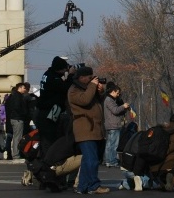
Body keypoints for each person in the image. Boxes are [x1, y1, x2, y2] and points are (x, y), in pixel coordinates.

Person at [67, 65, 109, 194]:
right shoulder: (74, 90)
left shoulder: (89, 89)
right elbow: (85, 100)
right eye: (90, 77)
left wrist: (100, 91)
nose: (93, 79)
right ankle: (94, 185)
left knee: (87, 159)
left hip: (94, 129)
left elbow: (98, 101)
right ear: (82, 78)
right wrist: (92, 86)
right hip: (84, 129)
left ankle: (83, 186)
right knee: (92, 159)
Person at [37, 56, 75, 155]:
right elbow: (65, 88)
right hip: (48, 111)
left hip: (45, 110)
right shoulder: (53, 78)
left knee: (46, 139)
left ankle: (45, 159)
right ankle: (48, 161)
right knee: (49, 139)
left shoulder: (48, 74)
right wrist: (70, 75)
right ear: (59, 69)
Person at [103, 81, 129, 167]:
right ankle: (112, 161)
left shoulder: (109, 99)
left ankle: (108, 160)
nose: (118, 95)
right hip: (113, 125)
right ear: (113, 91)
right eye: (117, 93)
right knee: (113, 145)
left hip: (111, 124)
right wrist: (123, 106)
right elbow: (115, 110)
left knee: (109, 144)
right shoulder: (109, 100)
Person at [6, 82, 30, 161]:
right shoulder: (18, 96)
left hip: (14, 118)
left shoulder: (13, 95)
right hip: (18, 119)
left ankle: (16, 153)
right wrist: (24, 113)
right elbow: (17, 107)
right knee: (17, 137)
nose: (25, 90)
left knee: (16, 136)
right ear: (20, 87)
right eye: (24, 88)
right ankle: (16, 154)